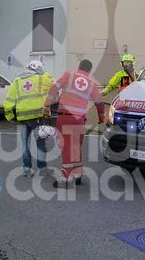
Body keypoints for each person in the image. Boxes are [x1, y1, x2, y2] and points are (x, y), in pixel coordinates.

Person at [43, 59, 105, 187]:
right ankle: (78, 175)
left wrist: (46, 104)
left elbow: (54, 88)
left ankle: (65, 179)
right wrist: (101, 118)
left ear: (79, 67)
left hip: (65, 118)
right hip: (79, 120)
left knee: (66, 147)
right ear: (89, 70)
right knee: (76, 147)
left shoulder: (69, 75)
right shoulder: (92, 84)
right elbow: (99, 103)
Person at [4, 60, 53, 177]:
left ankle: (26, 169)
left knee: (25, 144)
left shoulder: (17, 80)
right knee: (40, 144)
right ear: (39, 69)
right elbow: (53, 83)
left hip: (21, 117)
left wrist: (10, 116)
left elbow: (9, 99)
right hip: (36, 116)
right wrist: (43, 72)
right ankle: (42, 169)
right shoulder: (42, 78)